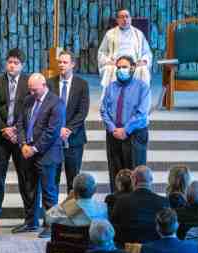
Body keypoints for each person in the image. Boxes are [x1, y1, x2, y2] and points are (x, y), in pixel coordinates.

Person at [14, 73, 65, 236]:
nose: (32, 93)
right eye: (30, 90)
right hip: (28, 152)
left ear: (44, 85)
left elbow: (52, 131)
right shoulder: (28, 100)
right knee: (29, 189)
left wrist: (34, 148)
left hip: (47, 154)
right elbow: (20, 123)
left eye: (34, 90)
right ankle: (30, 222)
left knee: (49, 192)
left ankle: (51, 227)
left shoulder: (56, 103)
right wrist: (22, 144)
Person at [0, 48, 30, 226]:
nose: (12, 65)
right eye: (10, 62)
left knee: (25, 176)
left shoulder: (28, 83)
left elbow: (29, 111)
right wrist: (4, 128)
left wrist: (16, 131)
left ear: (22, 65)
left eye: (16, 63)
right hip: (1, 136)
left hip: (20, 136)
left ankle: (29, 213)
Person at [100, 55, 150, 192]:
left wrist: (126, 130)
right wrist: (112, 128)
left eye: (124, 67)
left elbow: (142, 113)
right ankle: (116, 205)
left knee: (135, 174)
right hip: (114, 135)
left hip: (134, 134)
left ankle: (134, 207)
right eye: (118, 67)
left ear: (132, 68)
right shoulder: (110, 87)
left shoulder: (142, 87)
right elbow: (103, 110)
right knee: (115, 173)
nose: (121, 70)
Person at [48, 51, 90, 194]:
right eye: (59, 62)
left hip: (74, 139)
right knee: (53, 179)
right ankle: (52, 212)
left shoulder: (82, 84)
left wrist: (68, 129)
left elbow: (82, 111)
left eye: (65, 62)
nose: (61, 65)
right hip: (54, 138)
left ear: (73, 64)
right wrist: (57, 129)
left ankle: (72, 212)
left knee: (73, 180)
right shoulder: (50, 83)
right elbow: (46, 109)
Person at [111, 165, 170, 245]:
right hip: (154, 250)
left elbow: (113, 228)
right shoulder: (164, 202)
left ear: (133, 181)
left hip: (127, 251)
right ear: (151, 180)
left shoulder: (121, 201)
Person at [98, 9, 152, 88]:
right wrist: (108, 61)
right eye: (122, 17)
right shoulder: (110, 34)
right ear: (117, 20)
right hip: (116, 64)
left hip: (134, 64)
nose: (125, 19)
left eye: (127, 17)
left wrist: (144, 61)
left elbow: (147, 52)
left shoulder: (139, 34)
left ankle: (140, 99)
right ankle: (111, 98)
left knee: (143, 70)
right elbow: (102, 52)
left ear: (130, 19)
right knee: (110, 69)